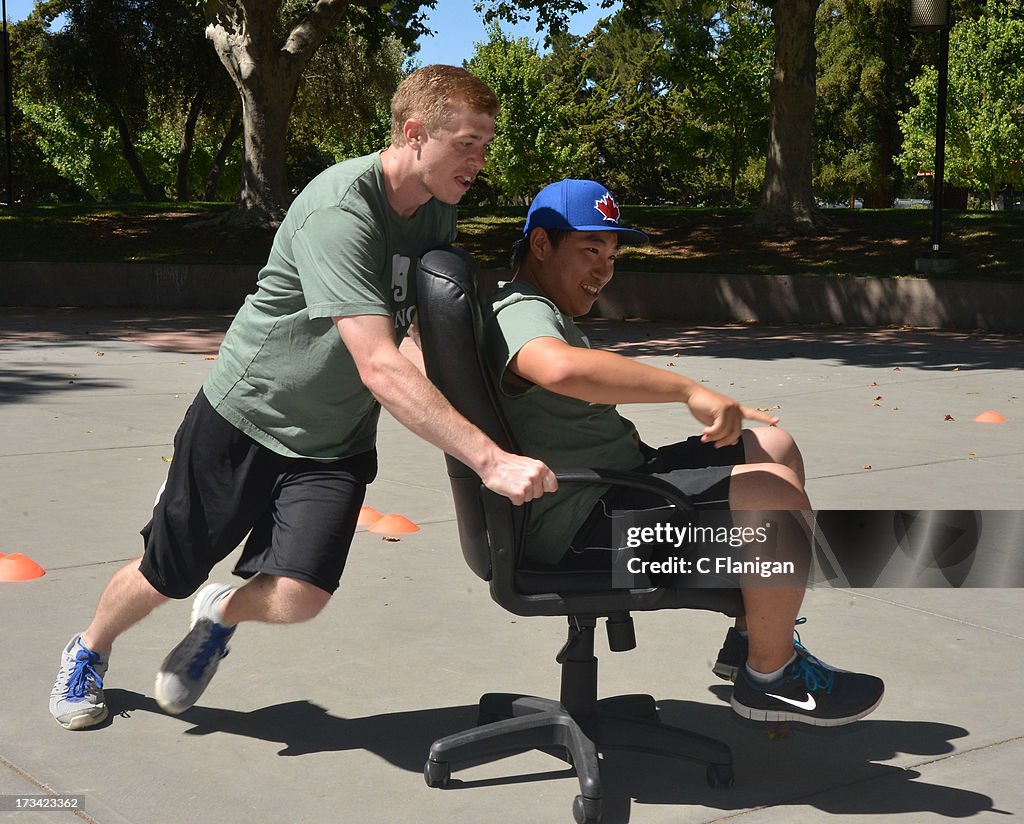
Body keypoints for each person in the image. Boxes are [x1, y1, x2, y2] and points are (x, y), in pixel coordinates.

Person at [49, 65, 556, 731]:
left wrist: (477, 404)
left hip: (333, 439)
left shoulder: (436, 209)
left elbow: (402, 334)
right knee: (162, 576)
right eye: (467, 143)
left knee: (303, 595)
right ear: (413, 134)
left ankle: (221, 611)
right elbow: (377, 363)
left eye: (485, 145)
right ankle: (87, 650)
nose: (479, 160)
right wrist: (488, 460)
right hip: (245, 419)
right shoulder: (340, 212)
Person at [484, 178, 884, 726]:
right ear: (540, 245)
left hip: (617, 484)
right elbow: (559, 368)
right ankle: (772, 679)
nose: (603, 270)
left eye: (611, 255)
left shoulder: (538, 308)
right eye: (589, 250)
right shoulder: (519, 310)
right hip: (580, 527)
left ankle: (751, 645)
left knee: (773, 445)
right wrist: (687, 389)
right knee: (773, 496)